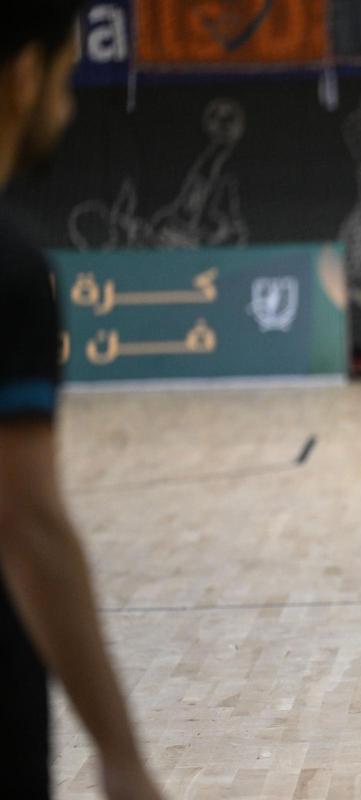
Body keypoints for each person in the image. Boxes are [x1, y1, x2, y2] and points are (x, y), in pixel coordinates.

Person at [0, 4, 163, 799]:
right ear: (24, 78)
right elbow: (26, 521)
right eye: (65, 81)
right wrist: (122, 755)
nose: (66, 109)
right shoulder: (11, 272)